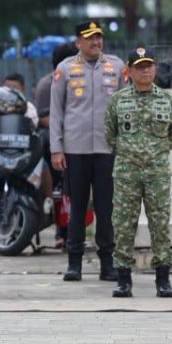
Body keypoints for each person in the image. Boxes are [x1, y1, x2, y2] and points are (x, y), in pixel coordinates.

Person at [50, 21, 126, 282]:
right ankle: (74, 263)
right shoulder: (65, 69)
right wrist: (56, 149)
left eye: (99, 37)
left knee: (106, 209)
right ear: (78, 43)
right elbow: (57, 111)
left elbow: (125, 108)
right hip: (75, 149)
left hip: (108, 149)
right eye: (90, 38)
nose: (96, 42)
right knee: (77, 208)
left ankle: (108, 264)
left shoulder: (116, 67)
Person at [105, 47, 172, 298]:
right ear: (129, 71)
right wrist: (130, 154)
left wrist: (154, 153)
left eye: (149, 65)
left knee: (160, 224)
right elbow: (111, 135)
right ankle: (123, 279)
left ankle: (163, 279)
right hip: (126, 172)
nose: (145, 70)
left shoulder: (168, 100)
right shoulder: (118, 100)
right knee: (124, 224)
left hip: (157, 172)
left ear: (155, 69)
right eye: (139, 66)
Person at [36, 43, 78, 247]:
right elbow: (44, 119)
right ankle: (62, 232)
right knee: (61, 186)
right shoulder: (47, 84)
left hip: (79, 140)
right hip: (56, 143)